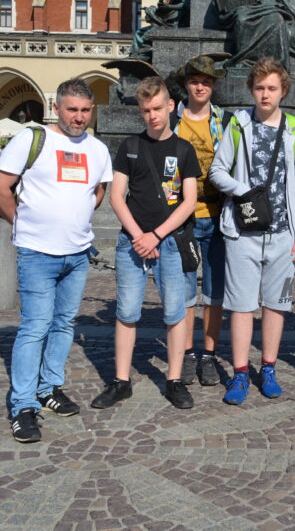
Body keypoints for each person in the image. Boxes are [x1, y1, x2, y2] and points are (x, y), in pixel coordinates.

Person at [0, 79, 113, 443]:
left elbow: (98, 191)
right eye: (72, 109)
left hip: (77, 254)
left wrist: (72, 219)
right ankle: (23, 405)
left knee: (63, 324)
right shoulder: (31, 139)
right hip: (37, 253)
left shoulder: (98, 148)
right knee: (35, 327)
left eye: (85, 110)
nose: (79, 117)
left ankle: (48, 388)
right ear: (56, 108)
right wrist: (22, 223)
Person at [90, 75, 200, 411]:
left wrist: (156, 235)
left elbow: (189, 202)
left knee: (175, 312)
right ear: (140, 111)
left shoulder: (184, 150)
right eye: (146, 110)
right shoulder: (130, 147)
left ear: (170, 106)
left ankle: (174, 379)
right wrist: (139, 236)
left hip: (169, 242)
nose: (152, 115)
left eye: (157, 108)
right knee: (126, 311)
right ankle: (121, 381)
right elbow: (117, 197)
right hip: (132, 242)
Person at [208, 57, 295, 405]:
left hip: (283, 234)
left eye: (271, 88)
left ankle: (268, 368)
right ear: (251, 90)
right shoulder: (238, 124)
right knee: (240, 306)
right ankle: (240, 373)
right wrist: (244, 191)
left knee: (276, 305)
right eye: (259, 88)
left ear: (283, 91)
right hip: (242, 232)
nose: (265, 94)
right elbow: (217, 171)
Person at [173, 53, 233, 387]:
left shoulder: (226, 121)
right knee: (184, 292)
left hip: (217, 217)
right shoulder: (172, 120)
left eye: (206, 82)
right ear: (186, 84)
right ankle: (185, 353)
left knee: (213, 292)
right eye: (195, 81)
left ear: (213, 86)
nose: (200, 87)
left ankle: (208, 354)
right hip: (182, 219)